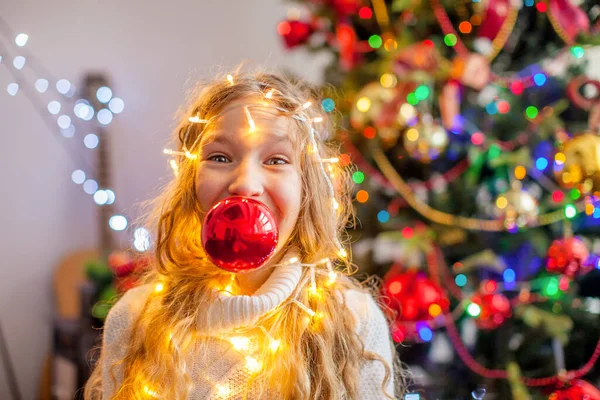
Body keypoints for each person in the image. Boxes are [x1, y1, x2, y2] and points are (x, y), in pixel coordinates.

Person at [84, 68, 403, 399]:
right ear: (191, 185)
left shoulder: (353, 322)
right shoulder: (136, 320)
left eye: (276, 160)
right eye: (220, 157)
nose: (246, 185)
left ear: (305, 190)